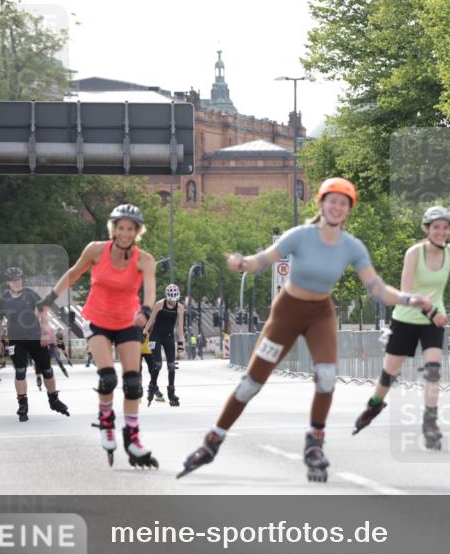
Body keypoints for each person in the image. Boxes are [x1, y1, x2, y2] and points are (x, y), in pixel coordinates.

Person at [178, 177, 431, 482]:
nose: (337, 207)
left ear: (348, 209)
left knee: (326, 376)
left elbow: (377, 289)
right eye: (332, 200)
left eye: (343, 203)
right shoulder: (300, 235)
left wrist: (409, 298)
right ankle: (213, 441)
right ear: (321, 203)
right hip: (287, 312)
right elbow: (264, 260)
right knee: (251, 384)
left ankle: (315, 444)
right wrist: (243, 263)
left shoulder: (352, 247)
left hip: (320, 314)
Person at [352, 205, 450, 449]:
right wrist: (431, 312)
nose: (441, 232)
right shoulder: (414, 253)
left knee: (433, 370)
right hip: (407, 318)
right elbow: (407, 292)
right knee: (390, 374)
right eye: (436, 227)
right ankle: (374, 406)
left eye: (445, 227)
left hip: (433, 321)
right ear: (426, 229)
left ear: (449, 230)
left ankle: (430, 423)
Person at [37, 204, 158, 468]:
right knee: (107, 377)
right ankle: (106, 422)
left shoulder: (144, 259)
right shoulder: (95, 250)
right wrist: (49, 299)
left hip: (128, 321)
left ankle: (133, 438)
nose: (125, 233)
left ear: (137, 232)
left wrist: (146, 311)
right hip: (98, 320)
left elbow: (150, 291)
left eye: (130, 229)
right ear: (113, 229)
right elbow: (73, 274)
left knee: (133, 383)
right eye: (120, 228)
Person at [0, 267, 70, 422]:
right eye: (13, 280)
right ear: (8, 282)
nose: (17, 282)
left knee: (47, 370)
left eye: (19, 279)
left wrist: (45, 332)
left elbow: (43, 312)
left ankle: (53, 399)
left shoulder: (30, 294)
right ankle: (22, 403)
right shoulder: (3, 300)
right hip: (16, 340)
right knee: (20, 371)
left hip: (35, 338)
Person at [142, 283, 185, 406]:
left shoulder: (180, 308)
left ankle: (171, 393)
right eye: (170, 300)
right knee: (158, 364)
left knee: (171, 365)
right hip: (155, 336)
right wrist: (144, 333)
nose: (172, 302)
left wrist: (181, 344)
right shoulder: (160, 304)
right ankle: (152, 385)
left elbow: (180, 328)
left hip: (169, 337)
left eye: (174, 300)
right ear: (167, 297)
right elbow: (151, 320)